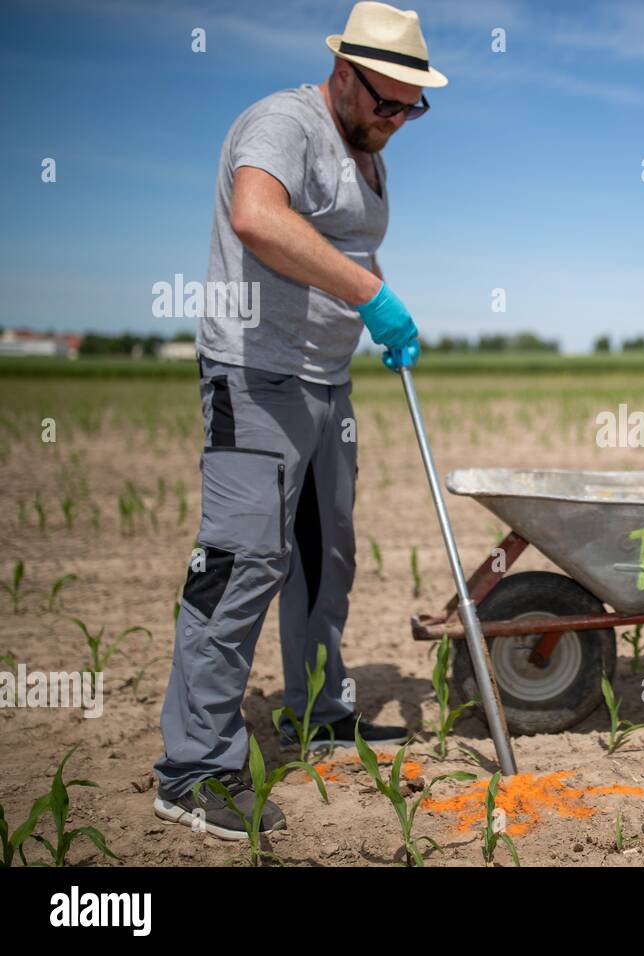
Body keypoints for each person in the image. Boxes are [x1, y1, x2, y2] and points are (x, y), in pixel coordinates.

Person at [153, 2, 448, 841]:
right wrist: (369, 296)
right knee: (241, 561)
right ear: (343, 74)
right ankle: (194, 768)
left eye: (411, 108)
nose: (396, 120)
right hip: (255, 374)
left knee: (325, 557)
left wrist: (383, 305)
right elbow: (257, 217)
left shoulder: (371, 154)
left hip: (328, 380)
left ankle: (316, 712)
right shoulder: (281, 124)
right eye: (385, 102)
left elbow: (352, 248)